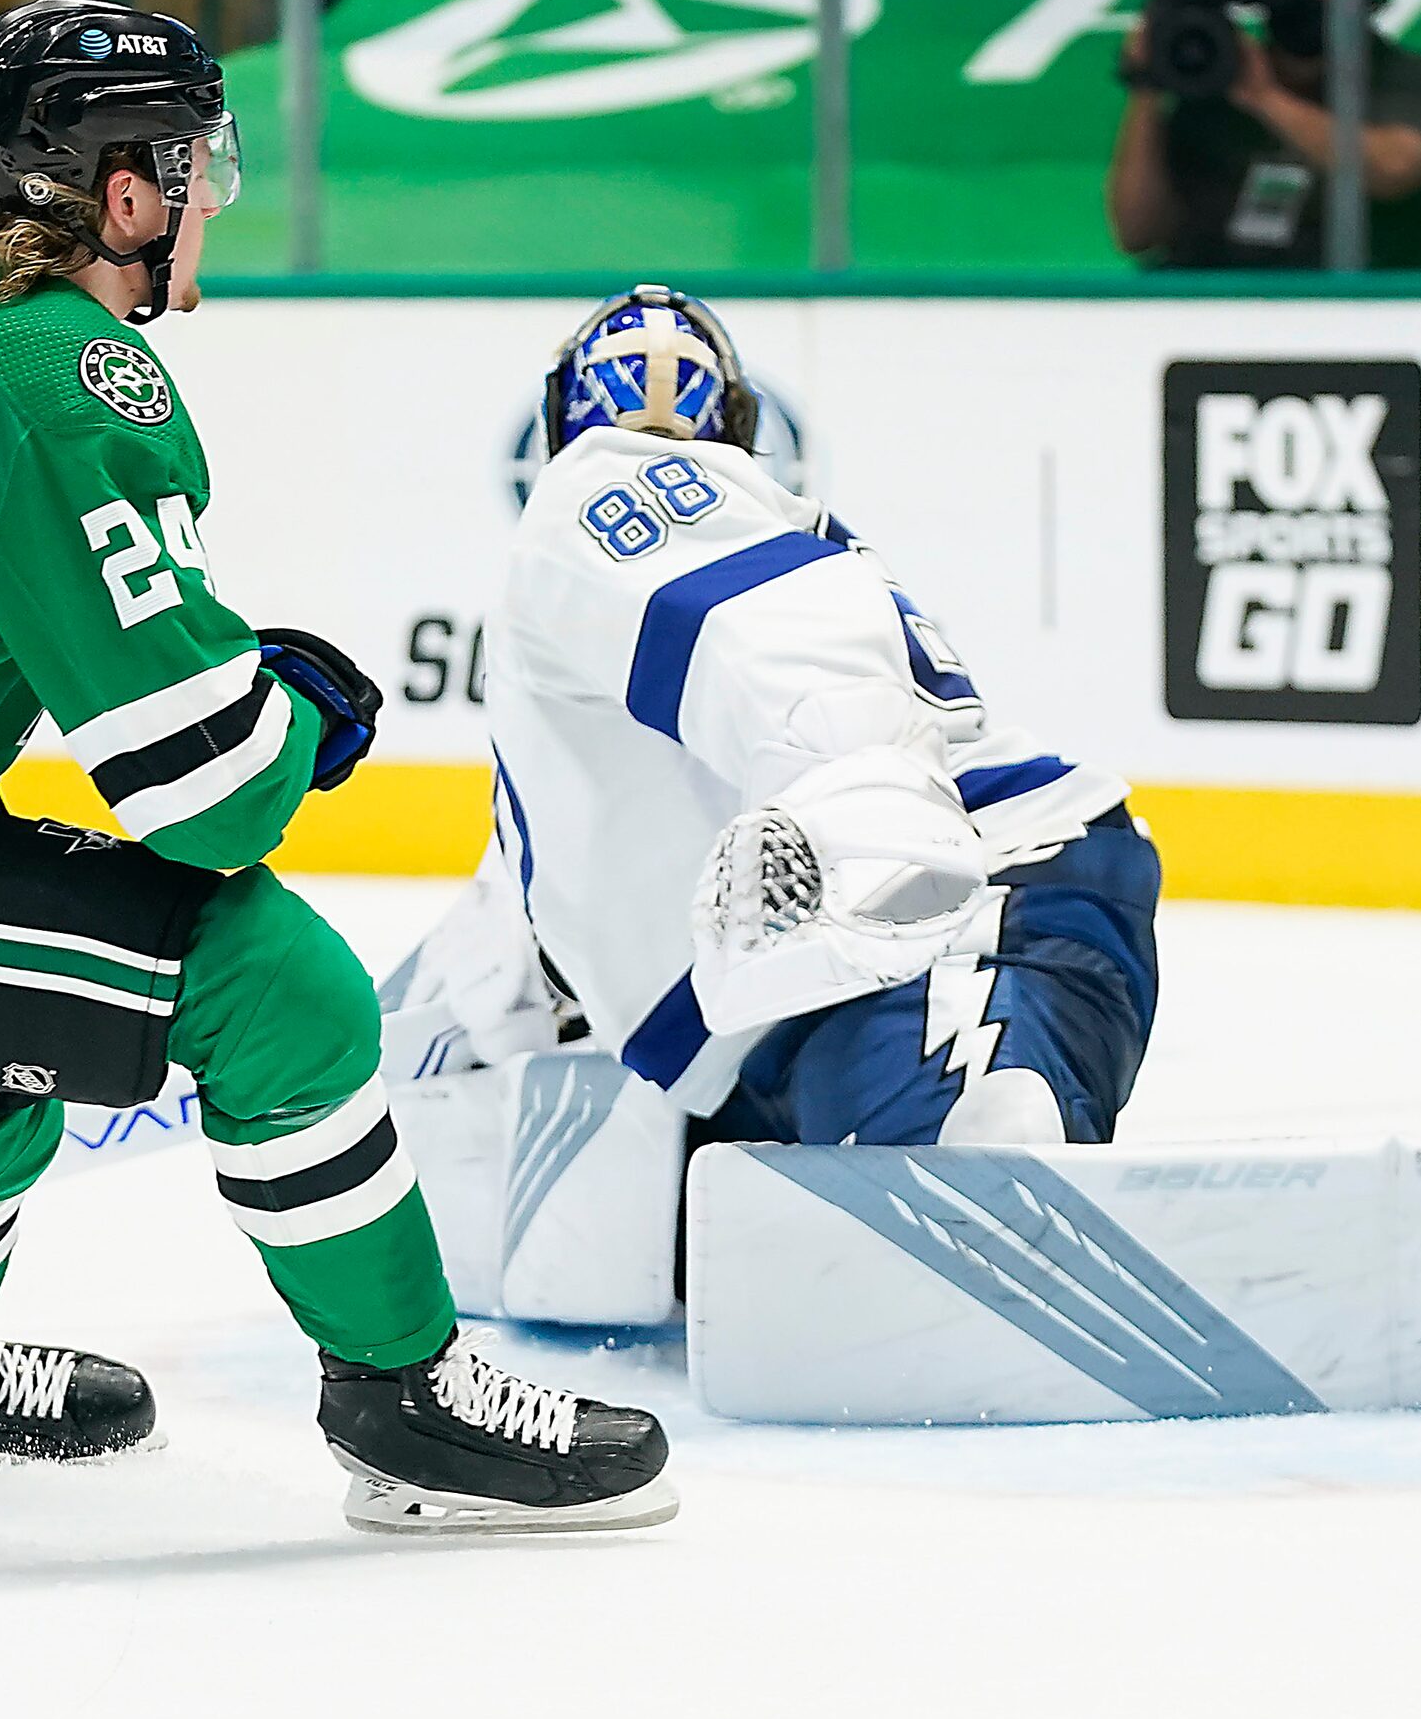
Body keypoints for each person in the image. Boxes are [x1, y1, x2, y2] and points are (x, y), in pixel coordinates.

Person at [0, 0, 674, 1536]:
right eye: (196, 160)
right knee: (275, 983)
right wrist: (296, 716)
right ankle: (403, 1401)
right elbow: (203, 793)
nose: (213, 190)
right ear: (124, 190)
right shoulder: (66, 382)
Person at [394, 287, 1160, 1176]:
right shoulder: (594, 658)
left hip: (942, 933)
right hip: (822, 999)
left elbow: (792, 651)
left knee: (971, 1199)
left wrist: (869, 835)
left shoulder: (595, 489)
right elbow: (522, 932)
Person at [1106, 0, 1421, 270]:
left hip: (1362, 311)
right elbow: (1137, 232)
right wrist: (1147, 85)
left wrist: (1267, 100)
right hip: (1214, 305)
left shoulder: (1408, 79)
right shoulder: (1216, 82)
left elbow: (1396, 168)